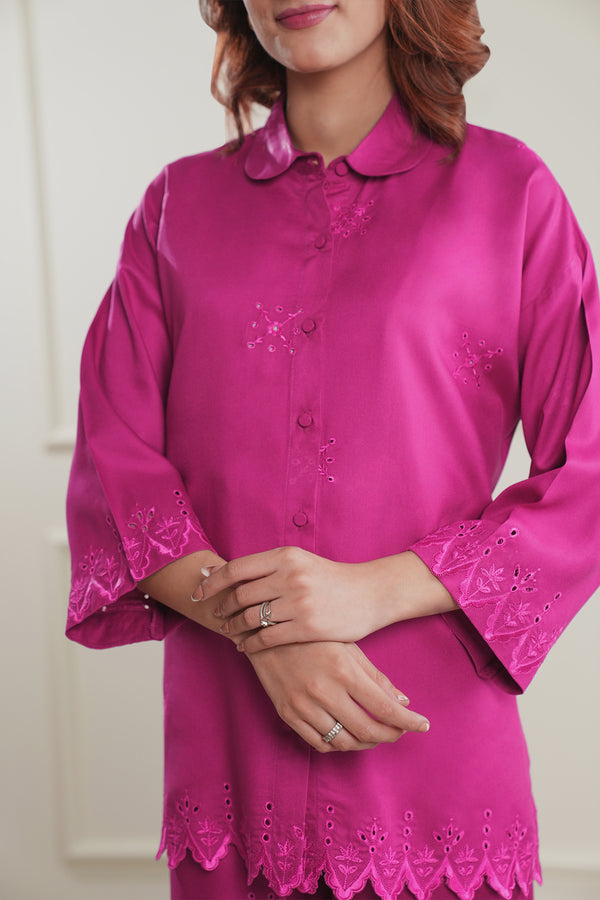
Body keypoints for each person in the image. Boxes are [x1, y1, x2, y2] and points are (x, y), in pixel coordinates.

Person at [65, 1, 600, 898]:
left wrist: (371, 590)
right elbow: (114, 463)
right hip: (230, 757)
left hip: (428, 760)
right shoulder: (176, 209)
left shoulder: (511, 194)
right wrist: (269, 633)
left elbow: (590, 468)